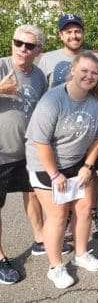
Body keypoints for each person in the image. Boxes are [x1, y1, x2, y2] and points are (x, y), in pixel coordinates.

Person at [25, 51, 98, 289]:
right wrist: (54, 174)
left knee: (84, 210)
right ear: (73, 71)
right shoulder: (53, 100)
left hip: (77, 164)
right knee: (58, 215)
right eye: (84, 70)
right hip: (45, 164)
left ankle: (81, 254)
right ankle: (55, 267)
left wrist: (87, 166)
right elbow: (40, 142)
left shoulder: (96, 103)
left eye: (94, 73)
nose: (89, 76)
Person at [38, 14, 98, 239]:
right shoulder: (48, 59)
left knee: (90, 171)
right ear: (61, 35)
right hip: (59, 131)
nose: (74, 35)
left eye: (77, 31)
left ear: (83, 33)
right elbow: (42, 94)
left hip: (88, 126)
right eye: (68, 31)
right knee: (62, 172)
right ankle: (66, 217)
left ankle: (92, 212)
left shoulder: (95, 57)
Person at [0, 25, 51, 284]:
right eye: (18, 42)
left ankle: (40, 239)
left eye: (29, 45)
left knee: (32, 194)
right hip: (1, 153)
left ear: (38, 50)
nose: (22, 48)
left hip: (27, 150)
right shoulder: (1, 66)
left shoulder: (40, 75)